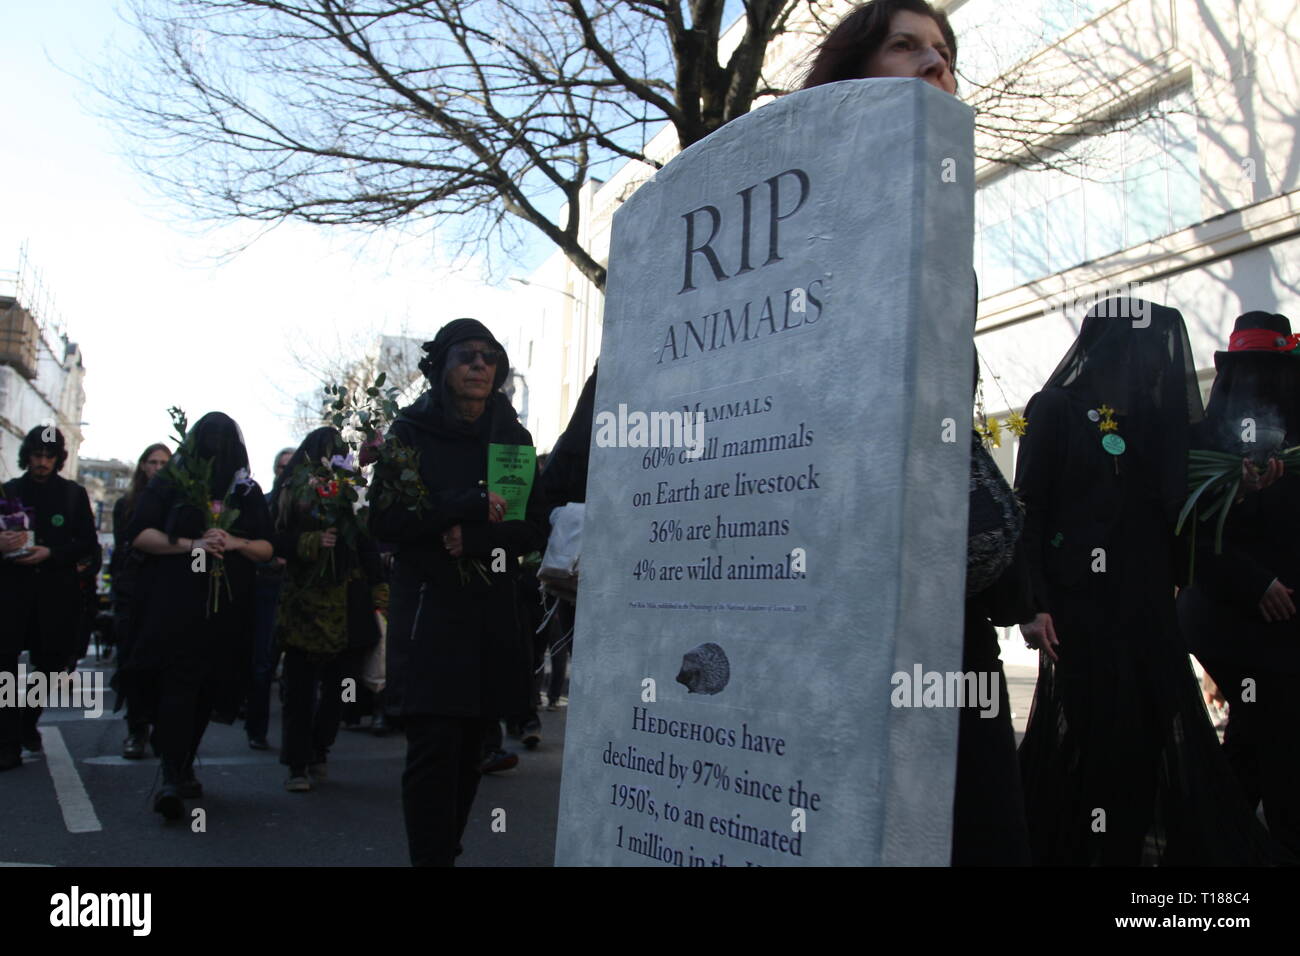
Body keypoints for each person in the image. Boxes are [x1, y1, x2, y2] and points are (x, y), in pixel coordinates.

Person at [800, 0, 1033, 866]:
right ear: (851, 72)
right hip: (819, 574)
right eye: (907, 47)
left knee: (960, 815)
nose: (937, 65)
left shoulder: (940, 227)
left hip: (936, 595)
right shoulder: (792, 212)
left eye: (946, 52)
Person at [1016, 298, 1283, 865]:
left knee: (1145, 746)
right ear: (1119, 350)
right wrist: (1032, 605)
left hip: (1148, 619)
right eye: (1151, 354)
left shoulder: (1151, 430)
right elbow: (1029, 512)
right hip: (1081, 622)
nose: (1161, 369)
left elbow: (1185, 516)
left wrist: (1242, 486)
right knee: (1093, 749)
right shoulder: (1056, 410)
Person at [369, 318, 548, 866]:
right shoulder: (409, 432)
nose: (479, 365)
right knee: (432, 744)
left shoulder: (512, 436)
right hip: (428, 610)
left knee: (472, 743)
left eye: (489, 357)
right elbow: (385, 519)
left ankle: (445, 851)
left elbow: (530, 528)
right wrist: (461, 505)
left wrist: (473, 535)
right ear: (442, 367)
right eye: (466, 356)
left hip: (491, 608)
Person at [1177, 311, 1300, 854]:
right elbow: (1190, 535)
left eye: (1270, 369)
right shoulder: (1203, 440)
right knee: (1280, 743)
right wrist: (1253, 582)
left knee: (1255, 746)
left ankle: (1208, 847)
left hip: (1286, 624)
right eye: (1249, 370)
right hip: (1234, 620)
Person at [122, 412, 273, 819]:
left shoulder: (246, 490)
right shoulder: (170, 484)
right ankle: (171, 773)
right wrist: (193, 545)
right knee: (178, 682)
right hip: (177, 602)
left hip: (228, 606)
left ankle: (184, 763)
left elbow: (269, 548)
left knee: (208, 687)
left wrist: (235, 541)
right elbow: (140, 534)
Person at [269, 427, 386, 792]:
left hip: (347, 602)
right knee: (299, 687)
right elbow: (272, 536)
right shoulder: (291, 491)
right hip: (305, 600)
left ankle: (321, 748)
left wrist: (379, 589)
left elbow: (366, 540)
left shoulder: (353, 491)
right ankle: (297, 762)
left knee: (340, 688)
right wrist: (309, 542)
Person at [0, 427, 99, 771]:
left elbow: (88, 545)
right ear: (26, 456)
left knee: (54, 665)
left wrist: (51, 553)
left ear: (58, 459)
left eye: (48, 456)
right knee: (6, 668)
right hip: (13, 593)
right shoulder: (8, 491)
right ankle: (8, 741)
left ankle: (27, 719)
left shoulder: (72, 495)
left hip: (57, 595)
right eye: (37, 456)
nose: (42, 462)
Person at [111, 442, 172, 760]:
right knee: (133, 662)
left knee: (162, 663)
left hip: (164, 593)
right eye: (152, 462)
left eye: (164, 463)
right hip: (132, 592)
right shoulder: (127, 505)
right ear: (142, 466)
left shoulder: (177, 503)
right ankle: (136, 728)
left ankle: (160, 726)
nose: (157, 468)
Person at [246, 446, 295, 751]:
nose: (286, 474)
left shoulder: (309, 504)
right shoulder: (263, 504)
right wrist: (271, 560)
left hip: (298, 590)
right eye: (282, 467)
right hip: (267, 588)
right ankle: (256, 728)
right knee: (263, 663)